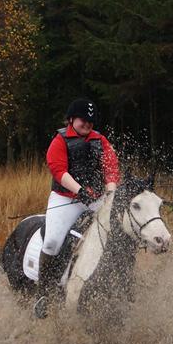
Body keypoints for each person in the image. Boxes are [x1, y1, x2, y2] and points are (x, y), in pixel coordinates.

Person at [33, 98, 120, 319]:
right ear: (71, 119)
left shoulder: (100, 140)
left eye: (91, 121)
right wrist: (80, 191)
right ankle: (43, 293)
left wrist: (110, 193)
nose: (87, 124)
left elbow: (111, 167)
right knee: (52, 242)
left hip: (96, 199)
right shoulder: (60, 140)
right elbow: (58, 170)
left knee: (116, 234)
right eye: (83, 120)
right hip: (66, 199)